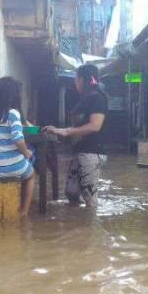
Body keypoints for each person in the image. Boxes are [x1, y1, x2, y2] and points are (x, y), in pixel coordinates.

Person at [44, 64, 108, 207]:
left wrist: (66, 131)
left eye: (76, 78)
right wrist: (60, 130)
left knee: (89, 197)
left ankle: (92, 227)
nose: (75, 82)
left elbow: (95, 125)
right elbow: (79, 126)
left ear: (83, 79)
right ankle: (77, 224)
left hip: (92, 152)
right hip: (81, 151)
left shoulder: (98, 98)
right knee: (71, 193)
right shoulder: (86, 99)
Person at [0, 77, 36, 217]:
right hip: (13, 167)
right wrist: (26, 152)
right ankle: (24, 211)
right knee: (31, 175)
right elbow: (18, 139)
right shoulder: (13, 114)